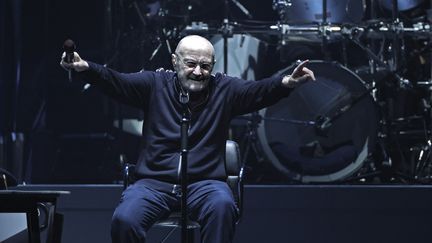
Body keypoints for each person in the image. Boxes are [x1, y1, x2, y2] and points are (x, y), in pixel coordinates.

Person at [60, 35, 315, 243]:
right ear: (174, 61)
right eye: (191, 63)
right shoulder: (154, 84)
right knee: (125, 220)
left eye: (205, 66)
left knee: (223, 206)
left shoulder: (224, 90)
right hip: (153, 183)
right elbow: (115, 81)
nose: (198, 71)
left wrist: (287, 83)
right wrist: (86, 69)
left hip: (205, 184)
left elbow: (259, 90)